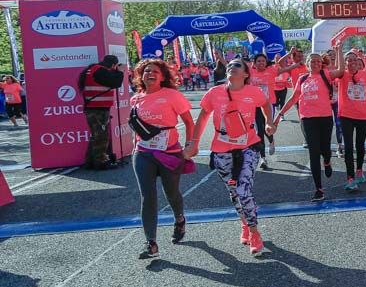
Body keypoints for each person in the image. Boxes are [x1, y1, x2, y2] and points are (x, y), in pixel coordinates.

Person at [183, 57, 275, 256]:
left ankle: (254, 232)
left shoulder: (254, 92)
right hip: (222, 149)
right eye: (230, 66)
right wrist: (194, 143)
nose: (232, 68)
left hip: (248, 145)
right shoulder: (214, 93)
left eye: (237, 66)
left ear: (245, 74)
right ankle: (244, 224)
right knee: (233, 192)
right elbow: (202, 118)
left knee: (243, 189)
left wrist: (269, 122)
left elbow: (266, 104)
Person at [129, 59, 195, 260]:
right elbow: (137, 127)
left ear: (163, 76)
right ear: (141, 75)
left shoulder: (172, 95)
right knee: (147, 196)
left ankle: (179, 218)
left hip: (170, 152)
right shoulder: (136, 99)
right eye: (146, 71)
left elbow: (189, 122)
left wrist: (190, 145)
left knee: (171, 193)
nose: (150, 74)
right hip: (143, 153)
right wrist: (135, 146)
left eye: (155, 72)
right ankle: (151, 243)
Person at [275, 53, 338, 202]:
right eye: (312, 61)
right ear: (307, 64)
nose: (315, 63)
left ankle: (327, 161)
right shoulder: (302, 79)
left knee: (325, 149)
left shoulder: (326, 74)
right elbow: (293, 98)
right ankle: (319, 189)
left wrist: (338, 48)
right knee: (313, 152)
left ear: (321, 64)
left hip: (325, 117)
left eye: (317, 61)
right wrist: (279, 115)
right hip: (307, 119)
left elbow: (341, 70)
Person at [326, 48, 366, 192]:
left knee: (360, 145)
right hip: (346, 116)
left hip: (363, 116)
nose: (352, 62)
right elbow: (333, 73)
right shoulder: (342, 75)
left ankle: (359, 169)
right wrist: (338, 50)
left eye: (354, 60)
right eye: (349, 60)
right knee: (348, 147)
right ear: (345, 63)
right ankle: (350, 178)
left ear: (359, 62)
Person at [79, 54, 126, 170]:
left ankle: (90, 161)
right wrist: (119, 72)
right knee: (101, 136)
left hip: (94, 107)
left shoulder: (93, 69)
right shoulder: (101, 71)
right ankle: (100, 162)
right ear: (114, 65)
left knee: (96, 135)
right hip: (98, 108)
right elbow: (115, 83)